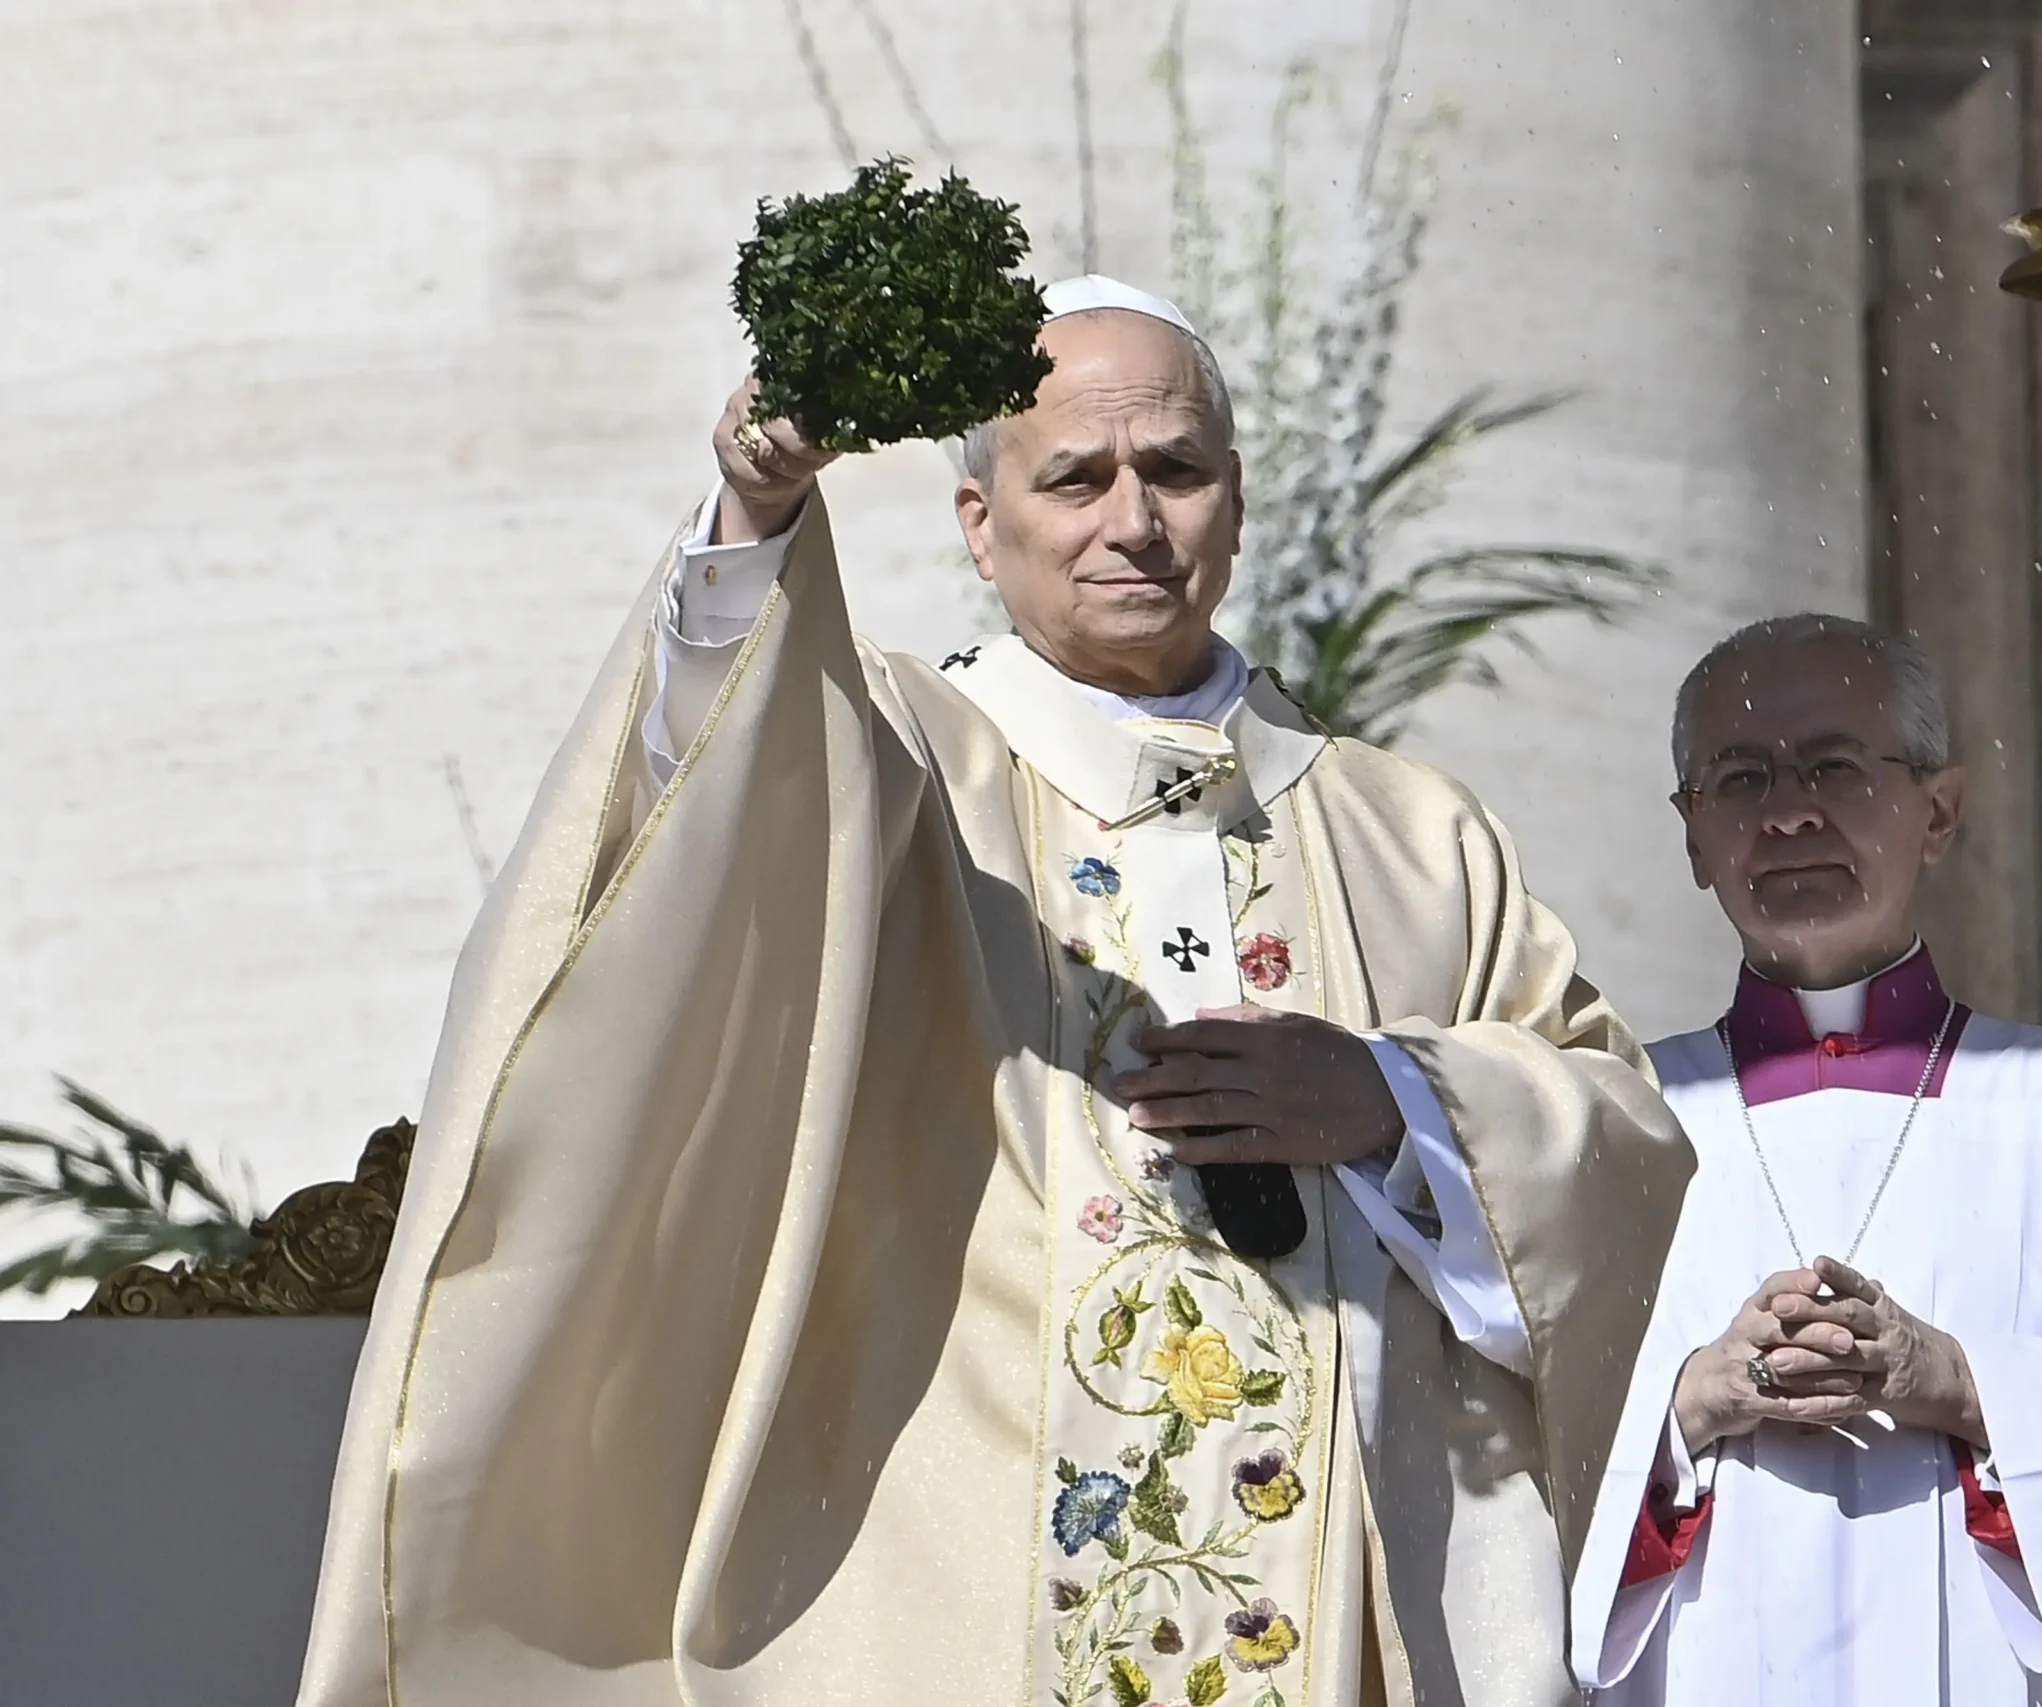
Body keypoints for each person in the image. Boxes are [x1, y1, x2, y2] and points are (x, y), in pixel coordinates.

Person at [292, 275, 1690, 1707]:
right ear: (980, 524)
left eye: (1177, 472)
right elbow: (699, 831)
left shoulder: (1414, 835)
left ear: (1240, 497)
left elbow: (1632, 1155)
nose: (1133, 522)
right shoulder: (896, 765)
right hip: (949, 1598)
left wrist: (1394, 1103)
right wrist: (756, 520)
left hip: (1358, 1612)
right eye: (1075, 477)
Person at [1566, 614, 2042, 1707]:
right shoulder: (1593, 1128)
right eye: (1739, 779)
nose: (1788, 811)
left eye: (1831, 764)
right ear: (1692, 837)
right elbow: (1485, 1467)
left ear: (1938, 809)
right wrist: (1685, 1407)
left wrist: (1968, 1386)